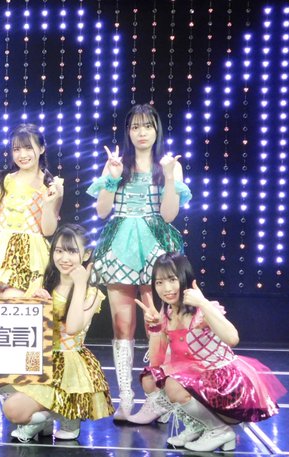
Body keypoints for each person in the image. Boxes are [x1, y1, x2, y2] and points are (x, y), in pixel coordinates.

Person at [86, 104, 192, 420]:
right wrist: (111, 178)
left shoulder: (169, 166)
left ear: (157, 130)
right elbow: (101, 211)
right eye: (135, 127)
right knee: (122, 324)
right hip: (119, 244)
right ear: (128, 132)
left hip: (155, 244)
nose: (141, 132)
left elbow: (169, 215)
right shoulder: (116, 164)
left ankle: (157, 397)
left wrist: (170, 177)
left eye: (147, 126)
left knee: (156, 323)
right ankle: (126, 397)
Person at [132, 252, 285, 451]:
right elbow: (156, 362)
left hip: (224, 381)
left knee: (173, 385)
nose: (166, 288)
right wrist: (155, 328)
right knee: (151, 379)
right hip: (195, 375)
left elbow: (233, 338)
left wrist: (203, 303)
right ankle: (198, 426)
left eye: (172, 279)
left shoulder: (201, 310)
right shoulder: (168, 312)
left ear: (185, 278)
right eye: (159, 282)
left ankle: (219, 430)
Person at [1, 224, 114, 441]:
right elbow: (18, 323)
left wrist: (79, 285)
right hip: (39, 360)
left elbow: (72, 328)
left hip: (70, 365)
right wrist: (35, 304)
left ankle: (66, 415)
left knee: (64, 432)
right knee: (13, 410)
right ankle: (50, 416)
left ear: (86, 254)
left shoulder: (92, 293)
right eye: (59, 250)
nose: (64, 258)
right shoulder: (41, 282)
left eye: (72, 251)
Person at [0, 123, 64, 297]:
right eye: (16, 149)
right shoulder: (3, 179)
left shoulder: (51, 185)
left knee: (13, 299)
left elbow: (48, 230)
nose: (22, 155)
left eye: (28, 148)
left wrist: (48, 204)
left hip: (30, 256)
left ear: (42, 148)